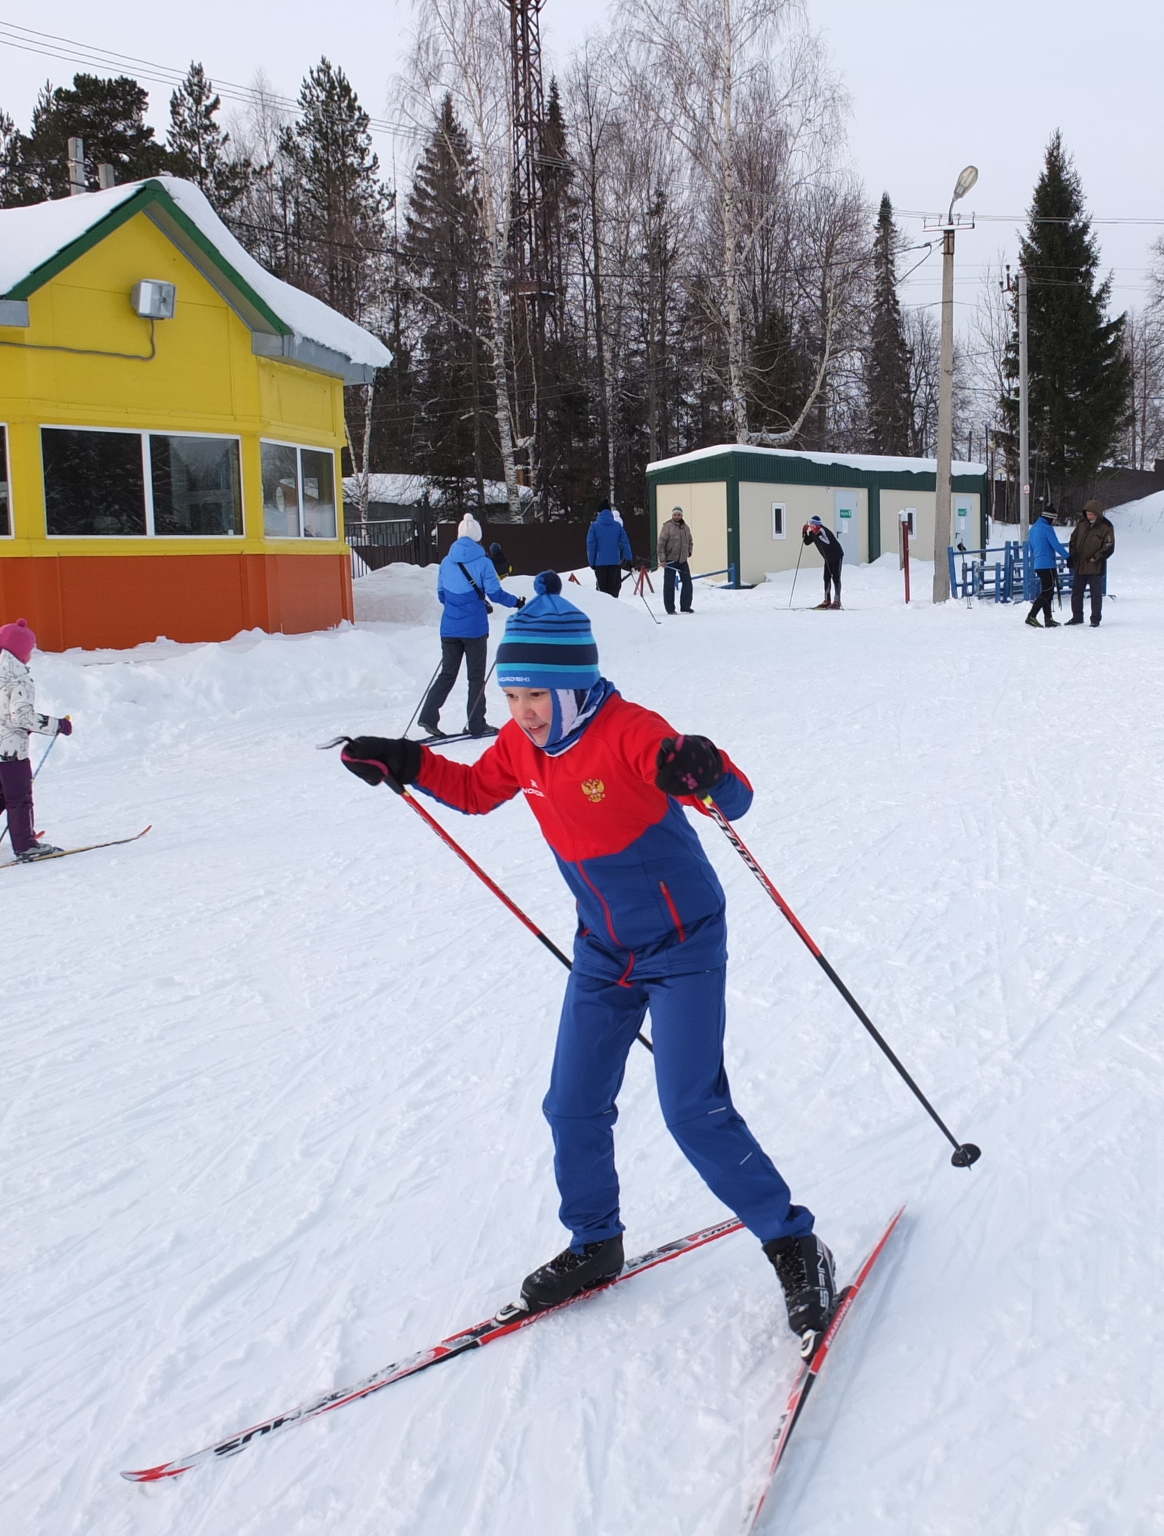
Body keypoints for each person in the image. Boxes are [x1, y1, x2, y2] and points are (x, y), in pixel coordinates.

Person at [337, 574, 835, 1346]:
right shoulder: (519, 747)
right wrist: (405, 761)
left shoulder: (630, 731)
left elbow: (728, 798)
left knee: (691, 1110)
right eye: (510, 697)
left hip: (684, 944)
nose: (523, 713)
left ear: (574, 684)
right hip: (602, 951)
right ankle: (594, 1242)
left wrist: (704, 769)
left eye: (536, 694)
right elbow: (471, 792)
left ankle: (793, 1242)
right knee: (570, 1104)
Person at [0, 617, 71, 862]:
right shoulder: (19, 680)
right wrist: (58, 725)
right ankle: (25, 844)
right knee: (19, 798)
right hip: (10, 754)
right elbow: (22, 716)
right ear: (22, 652)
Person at [417, 514, 522, 740]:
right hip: (474, 629)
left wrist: (457, 607)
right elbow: (495, 594)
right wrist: (517, 602)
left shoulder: (446, 561)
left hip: (449, 629)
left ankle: (428, 716)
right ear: (477, 536)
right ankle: (476, 724)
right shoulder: (483, 562)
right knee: (475, 678)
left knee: (447, 674)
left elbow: (442, 595)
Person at [1065, 499, 1115, 626]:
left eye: (1091, 514)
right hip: (1080, 565)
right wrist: (1073, 554)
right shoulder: (1081, 524)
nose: (1088, 516)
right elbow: (1073, 539)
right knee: (1076, 592)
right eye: (1087, 514)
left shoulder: (1106, 527)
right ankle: (1077, 617)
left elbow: (1109, 546)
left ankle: (1095, 619)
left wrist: (1096, 557)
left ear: (1097, 514)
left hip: (1095, 566)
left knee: (1095, 595)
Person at [1024, 508, 1066, 628]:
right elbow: (1056, 545)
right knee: (1047, 591)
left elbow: (1031, 549)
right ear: (1050, 517)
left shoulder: (1032, 530)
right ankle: (1032, 616)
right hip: (1048, 564)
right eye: (1054, 519)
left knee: (1048, 590)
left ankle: (1048, 618)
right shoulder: (1047, 529)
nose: (1054, 521)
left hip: (1038, 564)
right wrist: (1068, 557)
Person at [587, 501, 633, 595]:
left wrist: (592, 563)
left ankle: (604, 609)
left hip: (600, 564)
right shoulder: (617, 526)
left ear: (599, 512)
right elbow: (625, 543)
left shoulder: (594, 527)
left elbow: (591, 546)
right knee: (614, 590)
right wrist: (629, 559)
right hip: (615, 563)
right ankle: (614, 607)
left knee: (602, 593)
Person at [658, 505, 695, 614]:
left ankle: (685, 606)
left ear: (681, 515)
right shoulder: (667, 527)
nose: (677, 516)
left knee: (687, 582)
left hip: (682, 560)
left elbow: (690, 541)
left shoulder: (686, 528)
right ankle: (670, 609)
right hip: (670, 560)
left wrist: (689, 552)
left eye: (679, 514)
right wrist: (662, 559)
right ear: (672, 515)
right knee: (669, 585)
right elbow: (660, 544)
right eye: (675, 514)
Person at [803, 515, 843, 609]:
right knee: (826, 578)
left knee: (836, 577)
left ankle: (837, 601)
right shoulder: (814, 533)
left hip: (836, 555)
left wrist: (819, 537)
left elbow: (828, 543)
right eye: (810, 524)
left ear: (817, 525)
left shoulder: (822, 531)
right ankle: (827, 600)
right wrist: (804, 532)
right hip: (828, 558)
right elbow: (807, 542)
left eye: (812, 524)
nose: (811, 526)